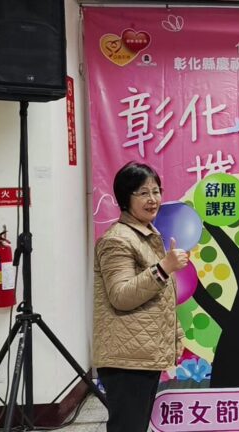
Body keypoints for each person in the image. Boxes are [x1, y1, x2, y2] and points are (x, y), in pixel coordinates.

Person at [93, 162, 188, 432]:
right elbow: (121, 295)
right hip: (126, 360)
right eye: (143, 193)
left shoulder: (145, 235)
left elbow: (159, 298)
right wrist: (164, 267)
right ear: (125, 198)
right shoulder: (117, 240)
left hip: (141, 354)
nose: (152, 199)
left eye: (156, 191)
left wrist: (175, 335)